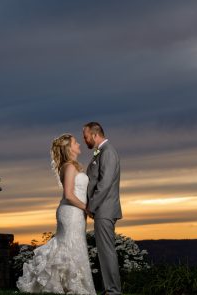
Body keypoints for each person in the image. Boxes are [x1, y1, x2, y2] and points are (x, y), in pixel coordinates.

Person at [17, 133, 96, 295]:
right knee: (68, 245)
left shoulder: (72, 166)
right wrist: (87, 208)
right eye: (75, 143)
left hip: (76, 212)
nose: (79, 144)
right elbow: (68, 194)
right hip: (71, 212)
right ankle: (68, 285)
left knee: (75, 245)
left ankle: (70, 284)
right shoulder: (69, 167)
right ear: (68, 148)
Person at [83, 122, 122, 295]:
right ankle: (110, 289)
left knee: (107, 251)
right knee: (104, 252)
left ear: (94, 134)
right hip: (102, 209)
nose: (84, 140)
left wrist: (91, 206)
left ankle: (113, 291)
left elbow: (104, 184)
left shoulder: (108, 152)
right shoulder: (101, 152)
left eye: (85, 136)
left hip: (105, 209)